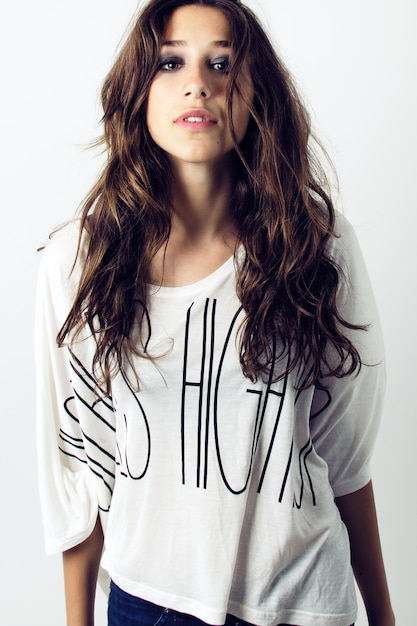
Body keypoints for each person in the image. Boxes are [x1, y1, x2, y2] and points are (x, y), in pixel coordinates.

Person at [35, 0, 395, 624]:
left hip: (305, 600)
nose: (197, 81)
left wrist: (385, 616)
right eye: (171, 62)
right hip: (148, 603)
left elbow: (346, 463)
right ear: (138, 92)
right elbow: (77, 473)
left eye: (223, 62)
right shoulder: (79, 261)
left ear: (258, 94)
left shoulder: (316, 243)